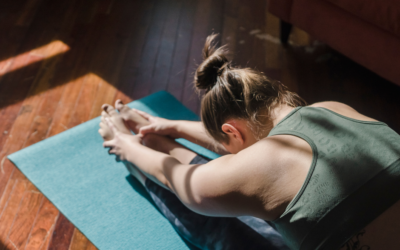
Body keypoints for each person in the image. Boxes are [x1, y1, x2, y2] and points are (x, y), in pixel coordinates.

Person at [98, 34, 400, 250]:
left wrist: (126, 145)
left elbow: (180, 180)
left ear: (233, 132)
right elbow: (255, 144)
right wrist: (175, 127)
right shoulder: (332, 109)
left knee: (226, 224)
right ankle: (162, 142)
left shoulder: (266, 163)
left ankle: (154, 147)